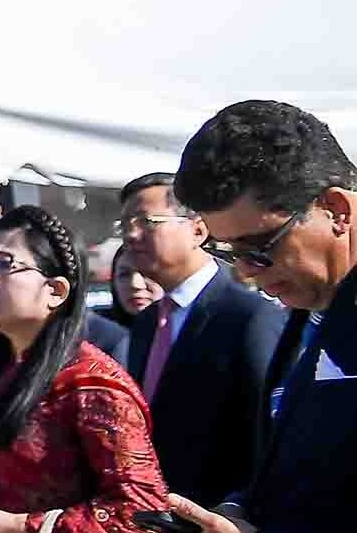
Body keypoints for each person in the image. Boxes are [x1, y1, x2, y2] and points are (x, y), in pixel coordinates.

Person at [164, 100, 357, 533]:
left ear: (336, 211)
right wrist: (239, 510)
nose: (245, 270)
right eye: (228, 251)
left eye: (260, 247)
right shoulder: (310, 312)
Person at [0, 205, 167, 533]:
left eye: (5, 264)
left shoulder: (94, 384)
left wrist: (22, 526)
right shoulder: (1, 373)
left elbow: (143, 513)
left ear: (56, 291)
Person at [114, 171, 284, 509]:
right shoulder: (148, 321)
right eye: (125, 225)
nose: (132, 235)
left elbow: (267, 437)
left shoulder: (248, 316)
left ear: (197, 229)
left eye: (147, 221)